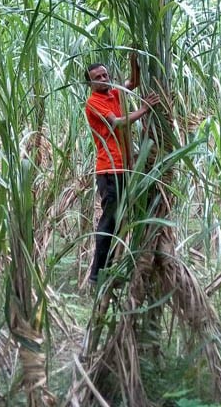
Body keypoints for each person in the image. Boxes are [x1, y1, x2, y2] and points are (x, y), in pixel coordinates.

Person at [85, 54, 160, 285]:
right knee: (109, 220)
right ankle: (97, 274)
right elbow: (117, 121)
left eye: (106, 74)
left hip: (124, 169)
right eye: (98, 77)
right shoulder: (93, 102)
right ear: (90, 84)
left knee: (119, 218)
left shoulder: (114, 93)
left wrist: (134, 61)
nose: (104, 79)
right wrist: (145, 109)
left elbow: (133, 83)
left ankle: (114, 267)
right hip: (109, 170)